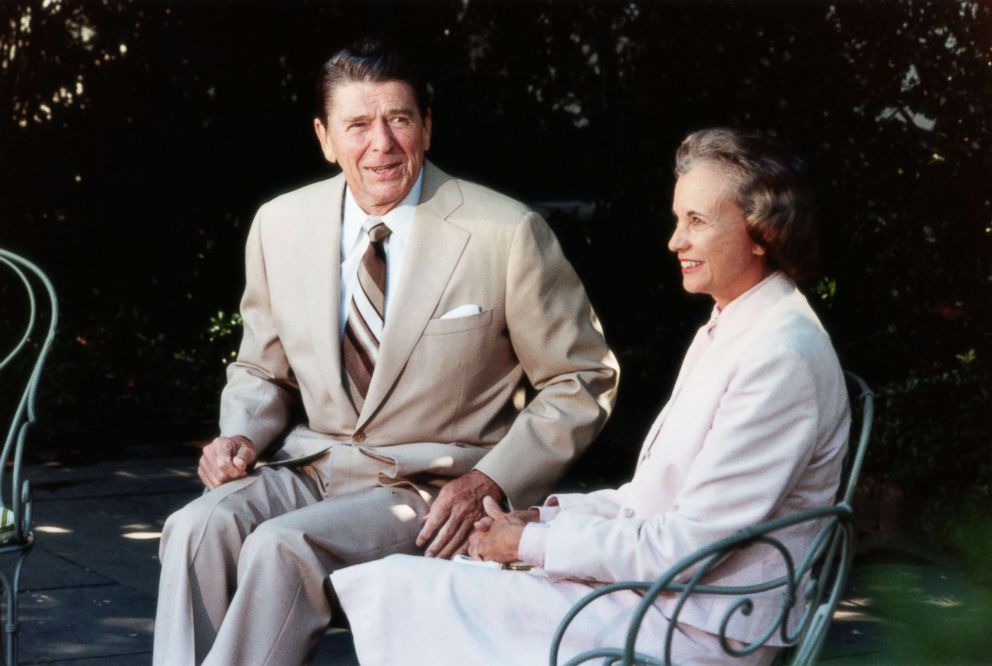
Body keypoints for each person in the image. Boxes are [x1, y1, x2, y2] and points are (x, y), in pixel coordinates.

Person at [152, 38, 619, 666]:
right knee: (195, 526)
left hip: (430, 489)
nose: (382, 143)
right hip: (311, 469)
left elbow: (581, 377)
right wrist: (239, 434)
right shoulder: (279, 224)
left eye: (398, 119)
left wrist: (492, 478)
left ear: (426, 125)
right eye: (358, 125)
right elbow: (263, 367)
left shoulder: (505, 232)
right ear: (324, 137)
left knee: (282, 548)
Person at [331, 128, 851, 665]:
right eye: (678, 220)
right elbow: (649, 500)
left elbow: (689, 547)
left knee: (407, 586)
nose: (676, 241)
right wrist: (537, 522)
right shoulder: (737, 324)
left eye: (696, 221)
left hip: (695, 628)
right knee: (434, 579)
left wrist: (529, 546)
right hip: (662, 600)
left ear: (761, 232)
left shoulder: (780, 354)